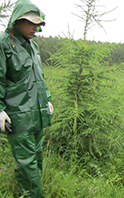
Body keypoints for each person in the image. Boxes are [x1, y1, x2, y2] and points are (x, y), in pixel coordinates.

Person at [0, 0, 53, 197]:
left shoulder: (33, 47)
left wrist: (46, 99)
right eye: (31, 23)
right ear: (17, 21)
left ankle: (30, 192)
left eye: (37, 24)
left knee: (37, 157)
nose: (35, 28)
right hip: (19, 116)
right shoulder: (4, 45)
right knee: (26, 163)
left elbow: (39, 78)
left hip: (37, 115)